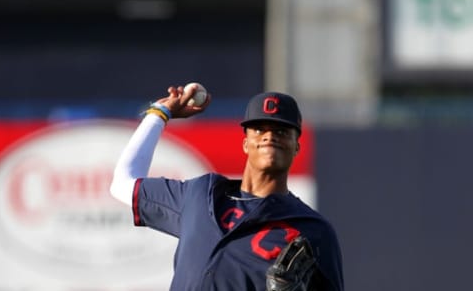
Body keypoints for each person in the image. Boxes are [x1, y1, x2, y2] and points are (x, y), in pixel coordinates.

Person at [110, 84, 344, 291]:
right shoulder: (200, 194)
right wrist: (159, 113)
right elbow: (122, 183)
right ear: (245, 143)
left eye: (282, 131)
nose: (270, 136)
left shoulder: (313, 229)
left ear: (296, 147)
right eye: (260, 129)